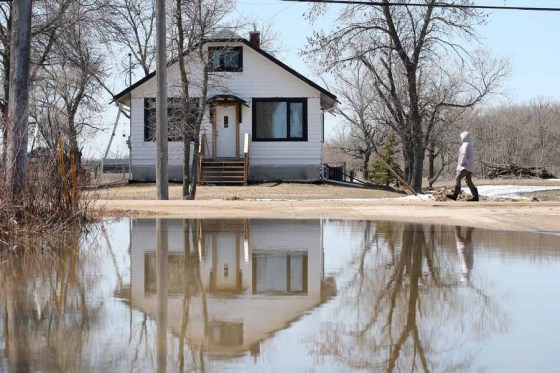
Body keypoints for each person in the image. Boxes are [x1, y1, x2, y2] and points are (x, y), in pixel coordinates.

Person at [447, 131, 479, 201]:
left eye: (461, 137)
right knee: (468, 181)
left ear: (464, 137)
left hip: (465, 166)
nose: (461, 138)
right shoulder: (470, 144)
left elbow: (463, 155)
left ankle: (455, 195)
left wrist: (460, 164)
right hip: (469, 166)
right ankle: (475, 197)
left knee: (457, 178)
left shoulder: (465, 145)